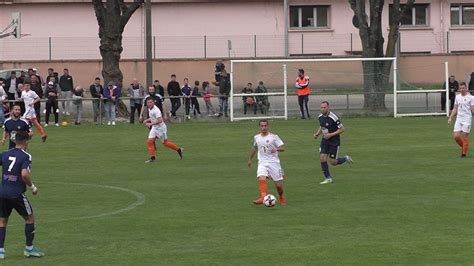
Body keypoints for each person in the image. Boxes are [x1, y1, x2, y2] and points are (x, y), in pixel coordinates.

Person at [0, 131, 45, 259]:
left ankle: (1, 251)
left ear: (14, 141)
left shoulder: (5, 154)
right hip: (16, 194)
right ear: (26, 142)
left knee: (2, 221)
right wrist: (32, 187)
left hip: (2, 193)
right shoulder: (26, 156)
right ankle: (29, 248)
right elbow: (24, 174)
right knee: (30, 218)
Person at [247, 119, 287, 205]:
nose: (263, 128)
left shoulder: (274, 137)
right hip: (262, 162)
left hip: (274, 163)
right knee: (261, 178)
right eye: (262, 126)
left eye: (265, 126)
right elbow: (255, 148)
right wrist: (250, 159)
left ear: (268, 126)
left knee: (278, 185)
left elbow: (283, 148)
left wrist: (276, 149)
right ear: (259, 127)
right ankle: (263, 197)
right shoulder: (256, 137)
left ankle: (281, 197)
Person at [314, 101, 353, 184]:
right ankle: (328, 178)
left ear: (328, 108)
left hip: (334, 141)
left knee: (333, 162)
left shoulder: (333, 117)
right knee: (322, 158)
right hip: (325, 140)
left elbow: (342, 129)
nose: (323, 109)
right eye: (321, 107)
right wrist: (317, 134)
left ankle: (345, 158)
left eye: (324, 107)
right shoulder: (320, 117)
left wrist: (331, 135)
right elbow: (322, 126)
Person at [143, 98, 183, 163]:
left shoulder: (156, 110)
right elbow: (153, 117)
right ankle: (152, 158)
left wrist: (150, 123)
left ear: (153, 102)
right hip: (155, 128)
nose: (149, 104)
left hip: (161, 129)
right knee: (149, 141)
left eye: (150, 102)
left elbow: (160, 120)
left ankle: (178, 150)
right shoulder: (150, 108)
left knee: (165, 143)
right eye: (148, 103)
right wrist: (147, 120)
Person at [448, 82, 474, 158]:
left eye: (463, 88)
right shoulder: (457, 97)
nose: (462, 89)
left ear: (466, 88)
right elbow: (455, 108)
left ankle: (464, 154)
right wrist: (450, 117)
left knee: (464, 136)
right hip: (459, 118)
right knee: (456, 136)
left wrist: (472, 109)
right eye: (461, 88)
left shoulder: (471, 98)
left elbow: (473, 110)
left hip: (467, 119)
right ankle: (464, 147)